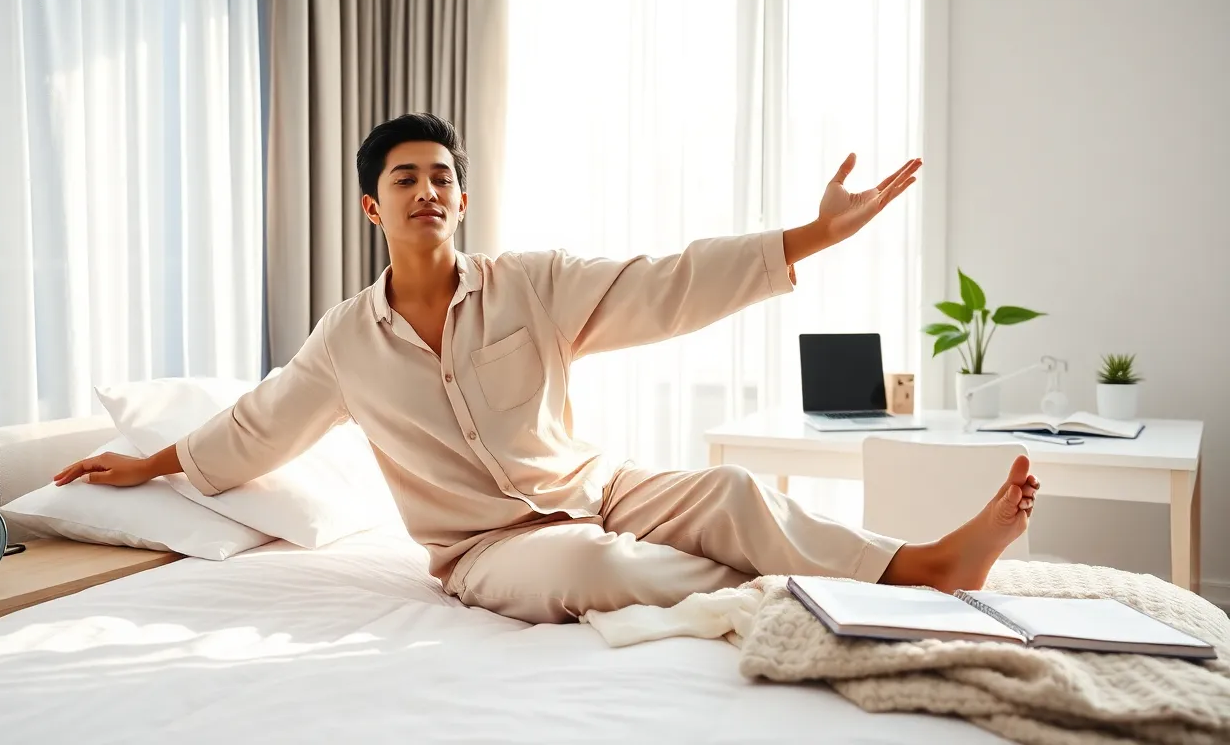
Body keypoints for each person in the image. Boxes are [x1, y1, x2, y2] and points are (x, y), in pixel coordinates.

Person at [54, 113, 1040, 625]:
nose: (428, 190)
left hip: (602, 486)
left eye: (443, 177)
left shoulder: (530, 284)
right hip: (490, 548)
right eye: (406, 178)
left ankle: (920, 567)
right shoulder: (345, 344)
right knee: (589, 566)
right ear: (372, 208)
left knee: (731, 489)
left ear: (463, 199)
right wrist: (149, 466)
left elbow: (668, 283)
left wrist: (810, 237)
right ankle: (796, 590)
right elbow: (257, 426)